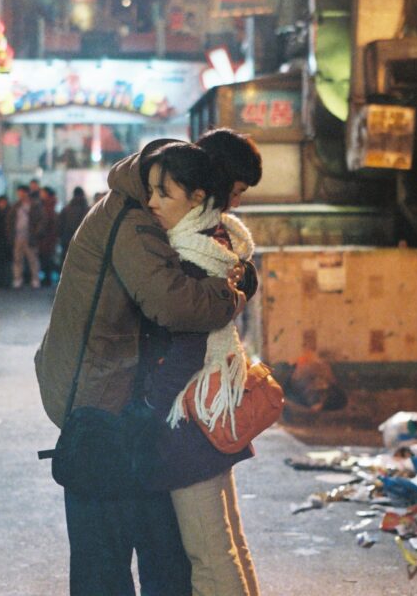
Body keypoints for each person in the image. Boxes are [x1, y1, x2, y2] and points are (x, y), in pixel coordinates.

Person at [36, 138, 247, 596]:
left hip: (109, 401)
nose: (156, 201)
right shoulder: (134, 223)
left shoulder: (128, 207)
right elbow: (171, 303)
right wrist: (231, 292)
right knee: (118, 562)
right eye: (158, 190)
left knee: (145, 555)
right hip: (101, 410)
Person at [138, 143, 260, 596]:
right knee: (227, 545)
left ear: (196, 197)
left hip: (189, 419)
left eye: (163, 193)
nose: (151, 203)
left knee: (209, 556)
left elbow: (187, 348)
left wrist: (151, 405)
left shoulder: (191, 258)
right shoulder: (220, 243)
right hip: (211, 410)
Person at [7, 185, 45, 288]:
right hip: (17, 237)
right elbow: (10, 221)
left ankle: (35, 279)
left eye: (22, 192)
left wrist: (37, 232)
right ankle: (18, 279)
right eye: (19, 193)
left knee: (32, 259)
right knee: (17, 259)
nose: (20, 195)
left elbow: (41, 220)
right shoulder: (16, 206)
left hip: (30, 236)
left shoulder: (35, 205)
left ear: (27, 193)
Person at [58, 186, 90, 262]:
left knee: (65, 261)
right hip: (82, 242)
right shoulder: (87, 210)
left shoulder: (66, 209)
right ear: (83, 195)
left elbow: (59, 225)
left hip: (66, 240)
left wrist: (61, 237)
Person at [38, 186, 59, 286]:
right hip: (48, 237)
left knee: (47, 258)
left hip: (48, 237)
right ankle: (47, 278)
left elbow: (47, 221)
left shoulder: (48, 206)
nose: (41, 195)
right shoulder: (48, 205)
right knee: (46, 257)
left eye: (42, 193)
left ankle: (47, 279)